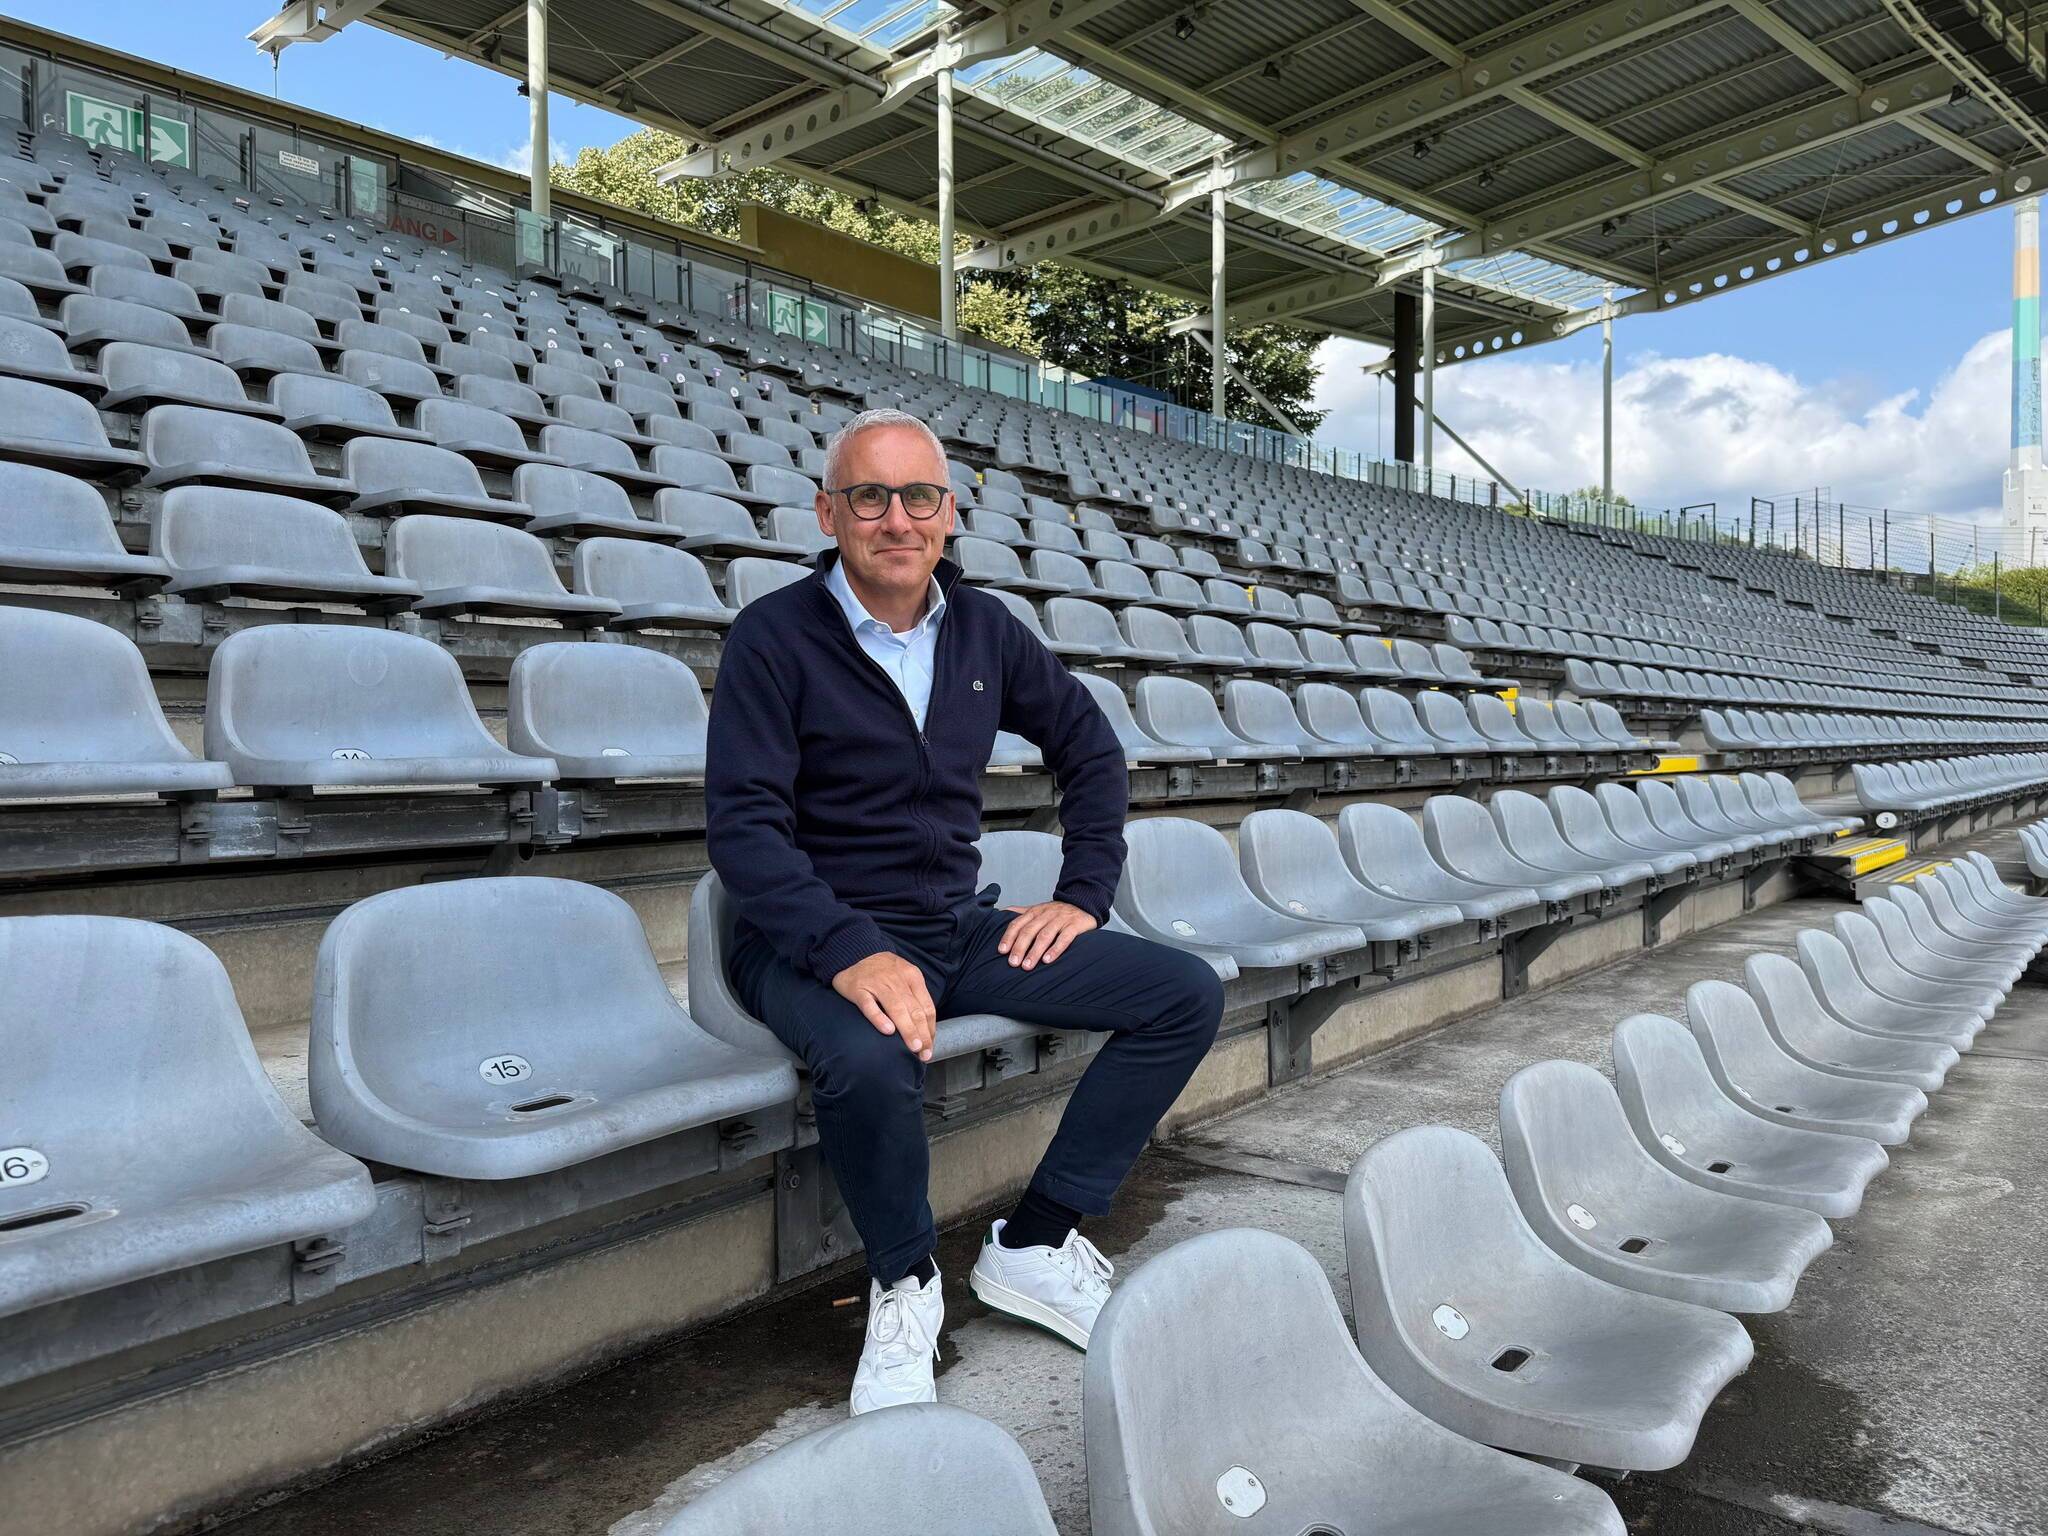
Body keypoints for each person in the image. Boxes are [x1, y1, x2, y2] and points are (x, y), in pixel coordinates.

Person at [705, 408, 1224, 1415]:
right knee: (866, 1056)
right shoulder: (774, 635)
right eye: (869, 495)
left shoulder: (983, 627)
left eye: (919, 497)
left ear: (948, 514)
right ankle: (905, 1279)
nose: (895, 518)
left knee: (1180, 993)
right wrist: (849, 950)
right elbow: (743, 834)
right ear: (828, 510)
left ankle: (1033, 1242)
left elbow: (1089, 749)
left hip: (951, 927)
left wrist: (1081, 895)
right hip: (801, 943)